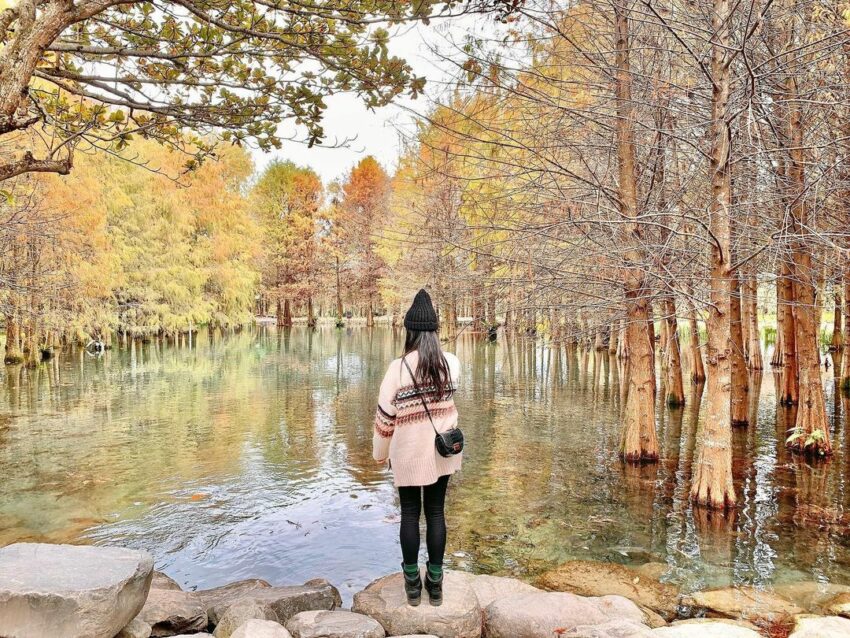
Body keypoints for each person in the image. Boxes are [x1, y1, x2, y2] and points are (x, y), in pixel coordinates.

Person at [373, 288, 462, 607]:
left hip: (409, 453)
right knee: (436, 511)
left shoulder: (397, 369)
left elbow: (385, 420)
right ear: (435, 332)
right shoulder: (451, 363)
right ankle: (435, 585)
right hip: (443, 450)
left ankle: (412, 586)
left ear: (410, 331)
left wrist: (379, 454)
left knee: (410, 513)